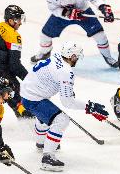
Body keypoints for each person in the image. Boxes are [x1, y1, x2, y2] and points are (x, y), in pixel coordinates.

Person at [21, 41, 109, 171]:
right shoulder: (66, 71)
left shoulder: (56, 56)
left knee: (45, 117)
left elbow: (54, 78)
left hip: (28, 92)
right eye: (77, 56)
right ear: (72, 56)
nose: (78, 58)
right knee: (61, 120)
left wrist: (65, 88)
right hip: (34, 98)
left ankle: (41, 143)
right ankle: (48, 158)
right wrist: (89, 107)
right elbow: (67, 102)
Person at [30, 0, 118, 68]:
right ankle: (44, 53)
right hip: (62, 16)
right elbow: (53, 8)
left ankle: (108, 57)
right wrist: (67, 13)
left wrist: (104, 8)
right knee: (45, 35)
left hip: (83, 12)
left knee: (100, 35)